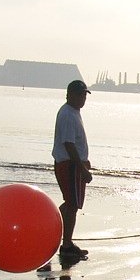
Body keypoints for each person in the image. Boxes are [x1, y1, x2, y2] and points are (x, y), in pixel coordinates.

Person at [52, 79, 93, 259]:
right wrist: (81, 168)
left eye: (84, 95)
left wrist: (85, 161)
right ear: (70, 95)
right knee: (72, 204)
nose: (83, 98)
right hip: (69, 165)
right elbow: (68, 144)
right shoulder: (68, 114)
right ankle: (66, 244)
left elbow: (76, 142)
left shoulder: (73, 112)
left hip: (73, 164)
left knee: (71, 203)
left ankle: (55, 227)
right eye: (80, 94)